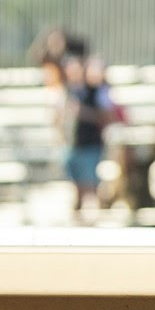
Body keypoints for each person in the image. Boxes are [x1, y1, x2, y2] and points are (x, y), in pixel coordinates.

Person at [56, 56, 117, 221]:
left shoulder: (96, 91)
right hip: (71, 145)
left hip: (90, 144)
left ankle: (97, 222)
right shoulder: (66, 91)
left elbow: (108, 116)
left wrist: (83, 112)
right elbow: (58, 117)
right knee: (76, 189)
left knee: (90, 187)